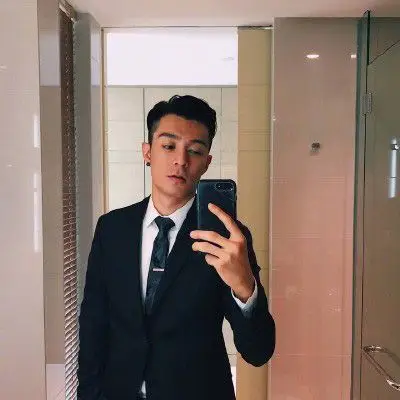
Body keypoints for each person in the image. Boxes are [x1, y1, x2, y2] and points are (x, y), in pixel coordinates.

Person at [77, 95, 275, 400]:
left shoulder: (227, 239)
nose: (181, 160)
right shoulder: (112, 229)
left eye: (195, 151)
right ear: (147, 153)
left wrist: (244, 287)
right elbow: (93, 322)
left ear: (206, 162)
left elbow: (258, 352)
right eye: (169, 146)